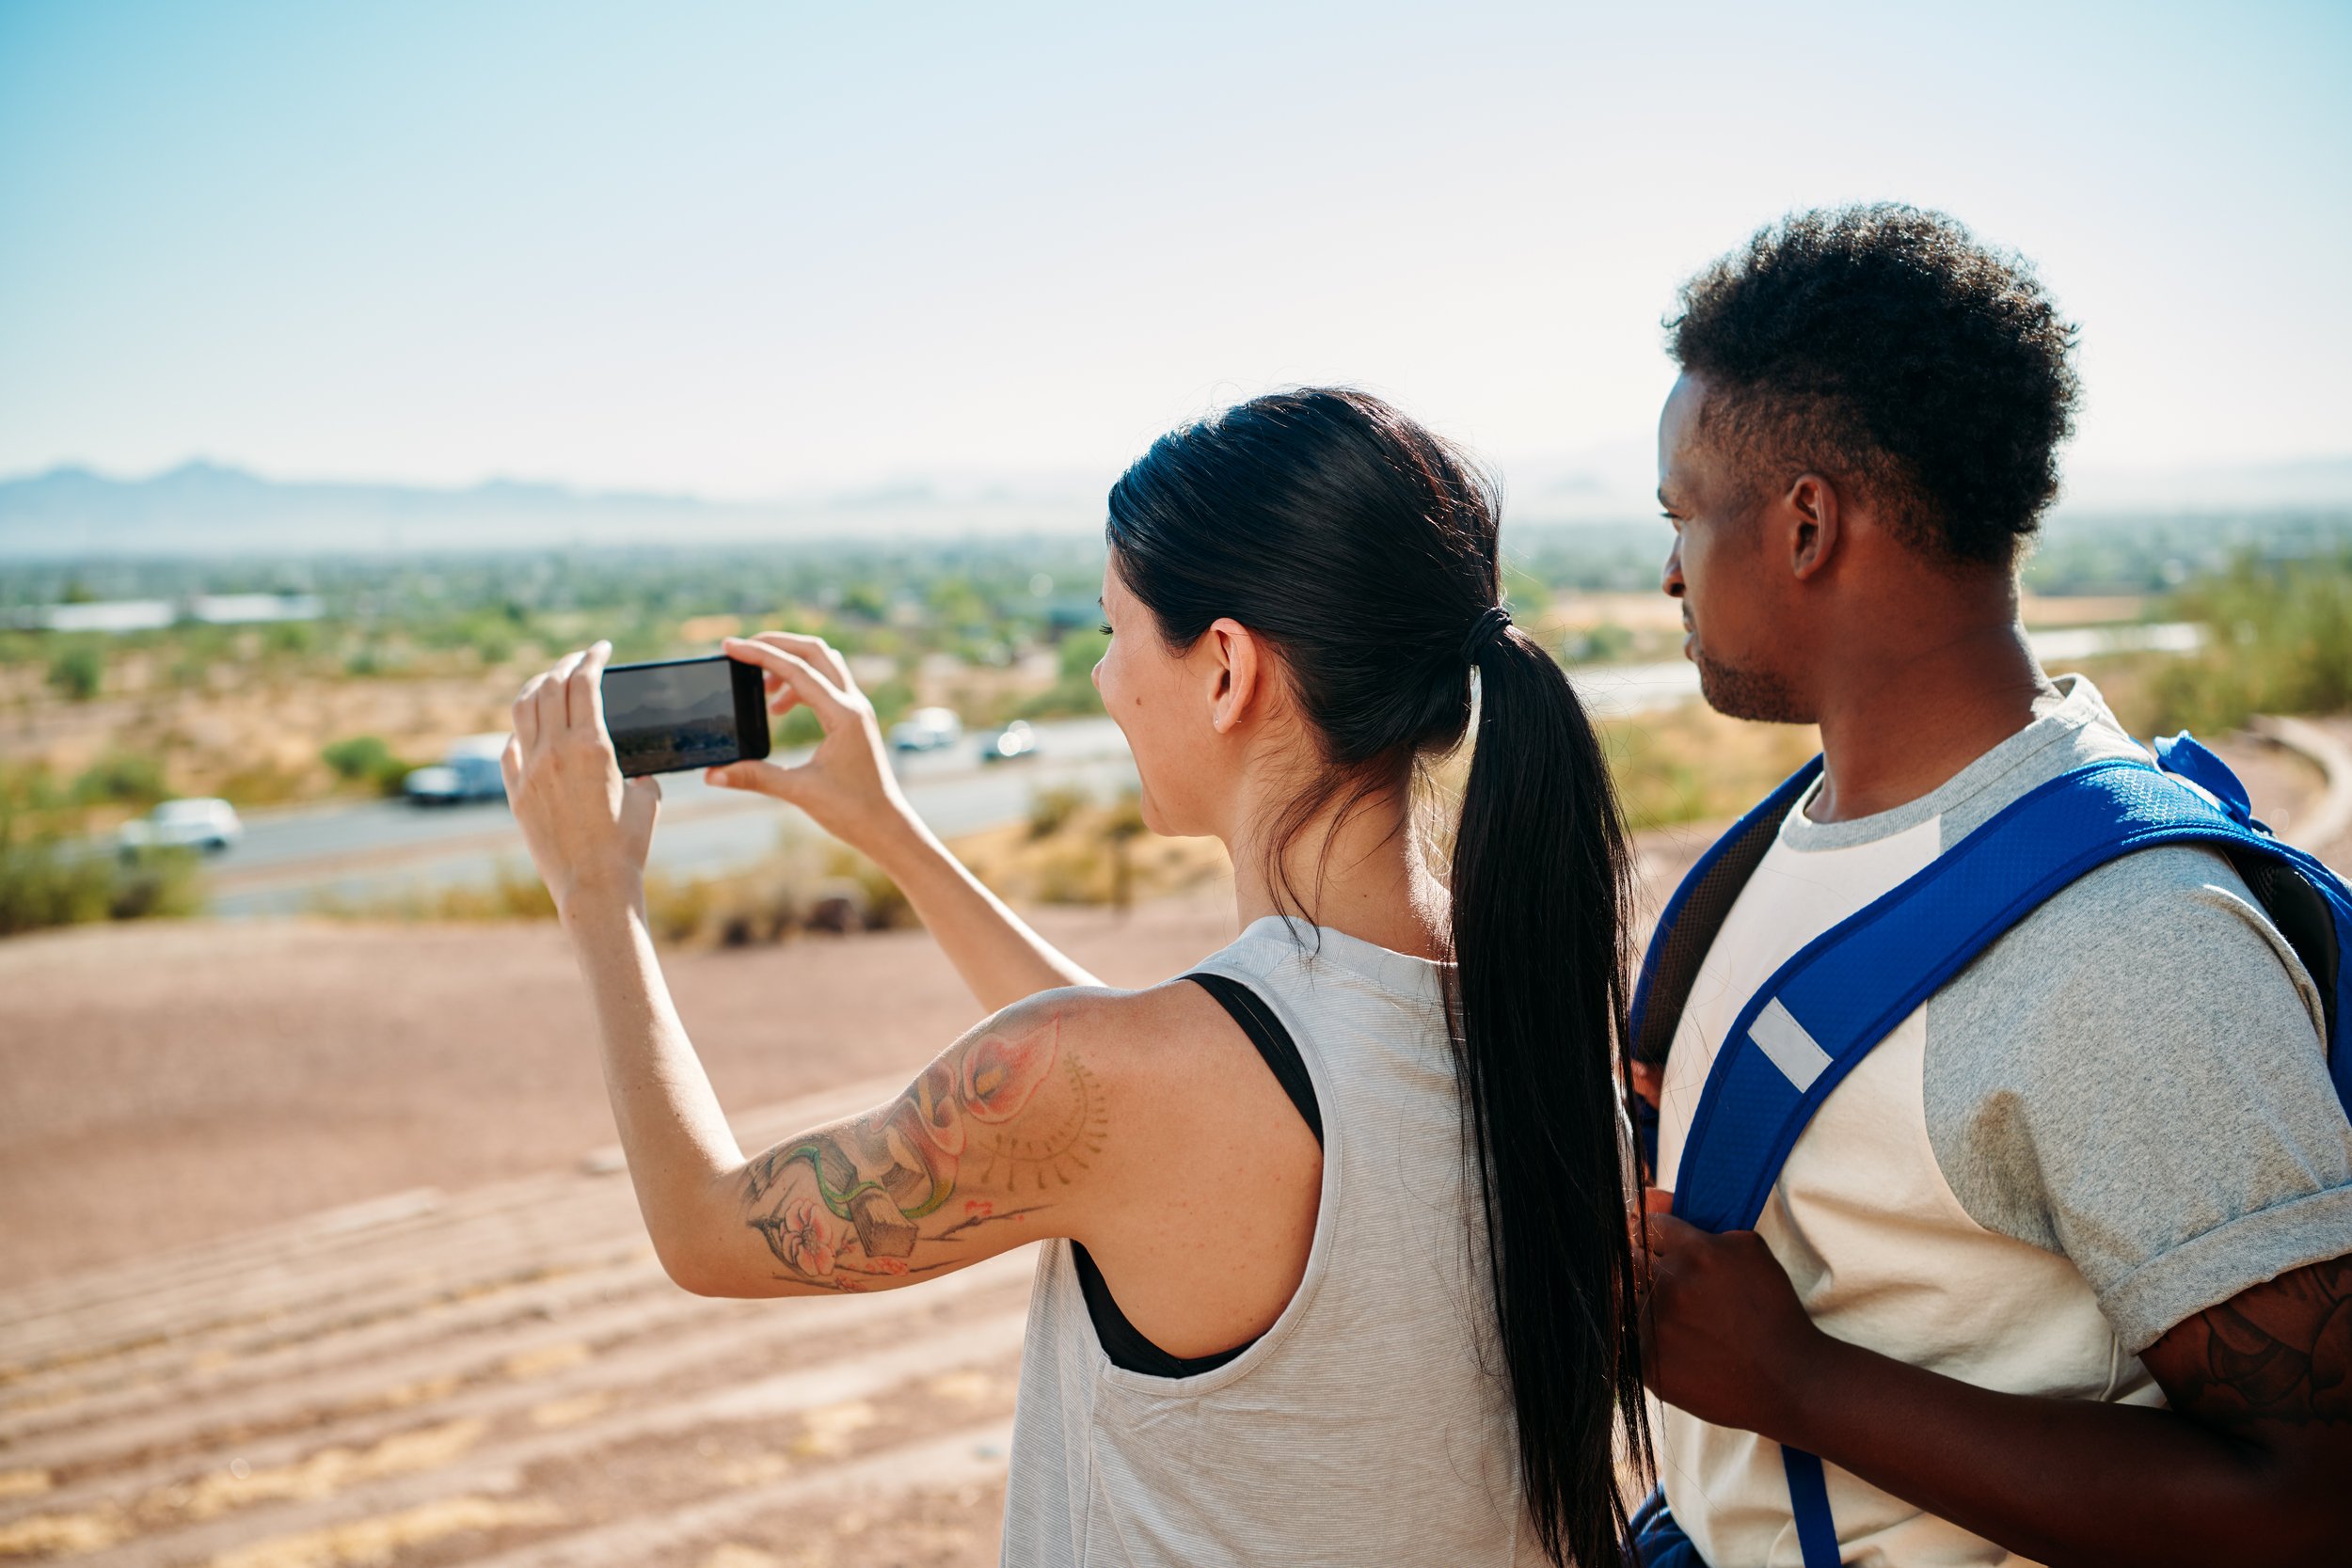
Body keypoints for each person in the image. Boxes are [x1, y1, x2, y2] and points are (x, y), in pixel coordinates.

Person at [500, 388, 1651, 1567]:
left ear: (1224, 669)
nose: (1105, 681)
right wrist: (893, 831)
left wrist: (597, 891)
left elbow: (709, 1231)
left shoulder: (1135, 1078)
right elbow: (1150, 1068)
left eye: (1114, 630)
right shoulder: (1527, 1015)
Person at [1630, 204, 2352, 1566]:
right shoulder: (1797, 831)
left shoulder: (2129, 946)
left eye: (1683, 516)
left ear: (1803, 525)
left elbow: (2309, 1500)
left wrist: (1799, 1385)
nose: (1670, 570)